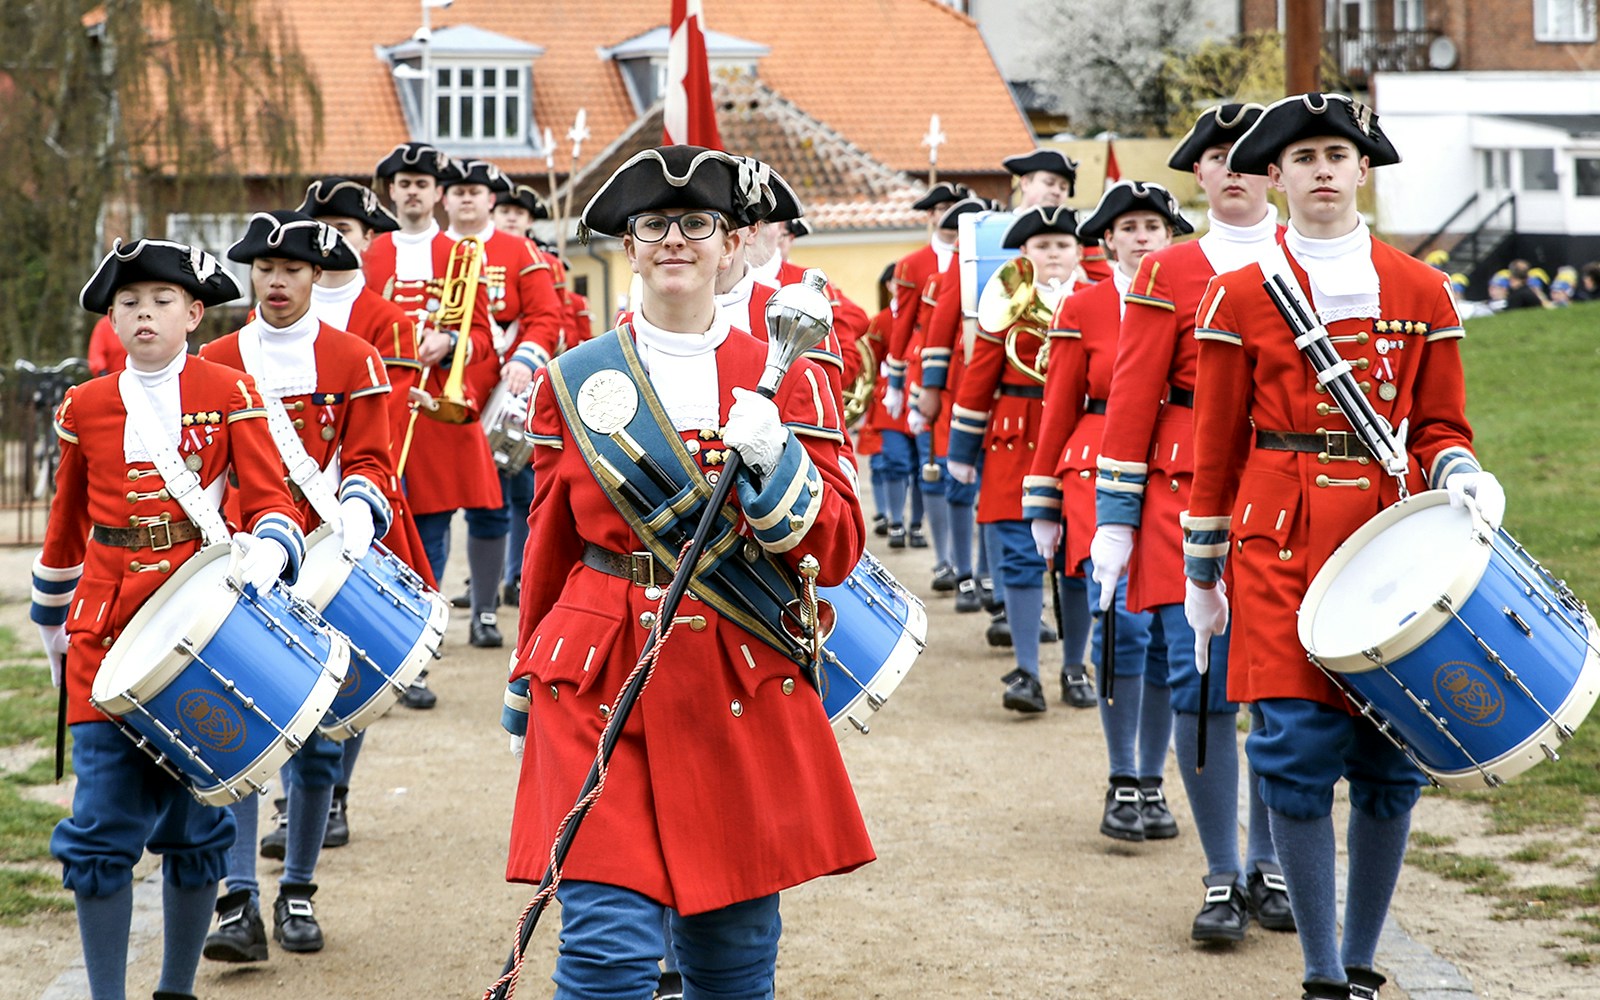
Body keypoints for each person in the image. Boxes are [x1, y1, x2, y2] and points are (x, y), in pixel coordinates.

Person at [500, 145, 873, 996]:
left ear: (732, 245)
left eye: (697, 224)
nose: (676, 240)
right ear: (629, 248)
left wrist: (777, 460)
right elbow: (550, 541)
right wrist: (527, 674)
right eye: (653, 226)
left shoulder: (792, 376)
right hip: (599, 676)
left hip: (736, 670)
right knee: (604, 951)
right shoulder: (574, 378)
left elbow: (839, 550)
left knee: (732, 955)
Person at [1184, 92, 1503, 1000]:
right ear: (1274, 176)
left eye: (1339, 154)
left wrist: (1460, 471)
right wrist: (1202, 572)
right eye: (1304, 157)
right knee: (1291, 743)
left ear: (1363, 170)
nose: (1324, 169)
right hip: (1278, 540)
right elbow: (1214, 450)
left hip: (1392, 539)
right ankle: (1321, 973)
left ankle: (1362, 966)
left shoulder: (1420, 288)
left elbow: (1440, 422)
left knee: (1389, 758)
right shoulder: (1237, 295)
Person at [32, 238, 303, 1000]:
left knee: (195, 826)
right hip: (106, 632)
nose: (143, 314)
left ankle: (177, 989)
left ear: (193, 312)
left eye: (160, 302)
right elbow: (63, 526)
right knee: (98, 829)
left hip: (205, 627)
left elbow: (271, 497)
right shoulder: (83, 405)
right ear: (111, 320)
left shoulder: (230, 387)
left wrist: (271, 553)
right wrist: (51, 620)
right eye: (128, 304)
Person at [1089, 104, 1293, 942]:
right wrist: (1115, 518)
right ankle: (1220, 875)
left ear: (1276, 173)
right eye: (1218, 158)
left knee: (1284, 693)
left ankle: (1272, 862)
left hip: (1286, 489)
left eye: (1252, 157)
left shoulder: (1306, 257)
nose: (1236, 168)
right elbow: (1133, 395)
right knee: (1200, 684)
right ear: (1200, 177)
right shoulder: (1166, 269)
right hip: (1181, 496)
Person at [198, 210, 395, 962]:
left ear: (318, 276)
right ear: (251, 273)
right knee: (242, 732)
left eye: (293, 270)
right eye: (265, 269)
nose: (276, 282)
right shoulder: (215, 356)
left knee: (314, 740)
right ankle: (239, 901)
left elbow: (375, 461)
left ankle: (299, 891)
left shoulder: (354, 359)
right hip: (242, 566)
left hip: (325, 567)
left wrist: (355, 508)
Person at [1025, 183, 1184, 741]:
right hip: (1093, 469)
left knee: (1170, 628)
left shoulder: (1198, 293)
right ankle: (1124, 773)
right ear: (1109, 240)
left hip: (1172, 467)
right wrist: (1042, 500)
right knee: (1120, 621)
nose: (1143, 238)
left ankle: (1152, 775)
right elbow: (1058, 405)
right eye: (1130, 229)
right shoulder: (1083, 306)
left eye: (1154, 227)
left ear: (1170, 236)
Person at [363, 144, 500, 658]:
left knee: (432, 530)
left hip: (434, 411)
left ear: (438, 193)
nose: (414, 191)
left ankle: (422, 639)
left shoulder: (462, 255)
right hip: (379, 408)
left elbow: (483, 337)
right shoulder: (369, 254)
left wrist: (451, 343)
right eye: (404, 184)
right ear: (392, 192)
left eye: (423, 183)